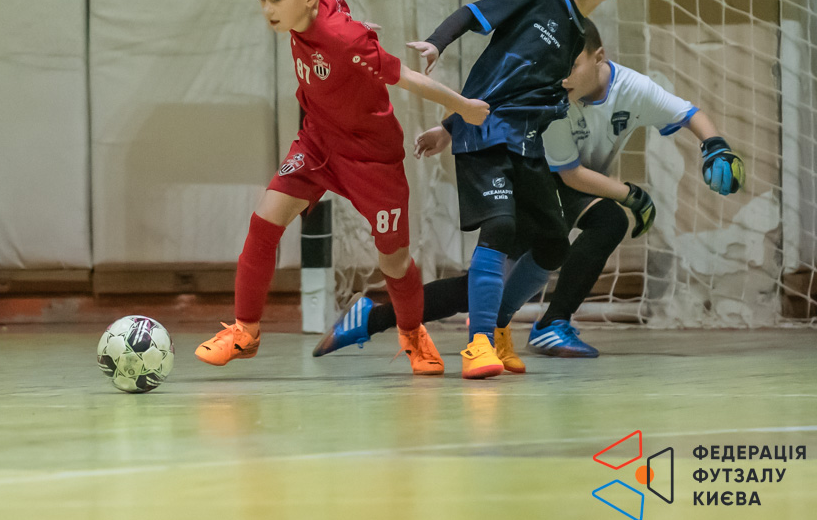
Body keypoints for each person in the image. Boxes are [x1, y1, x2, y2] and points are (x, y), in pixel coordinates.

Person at [312, 18, 745, 366]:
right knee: (605, 220)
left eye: (571, 65)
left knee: (482, 288)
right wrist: (629, 193)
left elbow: (689, 112)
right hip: (536, 179)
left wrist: (716, 146)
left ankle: (373, 317)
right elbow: (570, 174)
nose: (562, 77)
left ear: (599, 57)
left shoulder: (632, 88)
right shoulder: (555, 98)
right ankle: (546, 324)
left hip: (558, 185)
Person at [194, 0, 490, 376]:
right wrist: (357, 22)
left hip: (372, 160)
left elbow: (406, 77)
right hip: (317, 143)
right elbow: (338, 3)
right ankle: (245, 332)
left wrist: (462, 107)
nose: (268, 10)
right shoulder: (311, 12)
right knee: (264, 223)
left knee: (393, 261)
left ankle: (413, 334)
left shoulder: (344, 40)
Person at [399, 0, 641, 379]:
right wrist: (437, 42)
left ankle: (500, 327)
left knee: (553, 244)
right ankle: (478, 343)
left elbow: (512, 89)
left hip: (525, 145)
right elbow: (473, 13)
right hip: (485, 134)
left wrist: (445, 128)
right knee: (501, 227)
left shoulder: (578, 35)